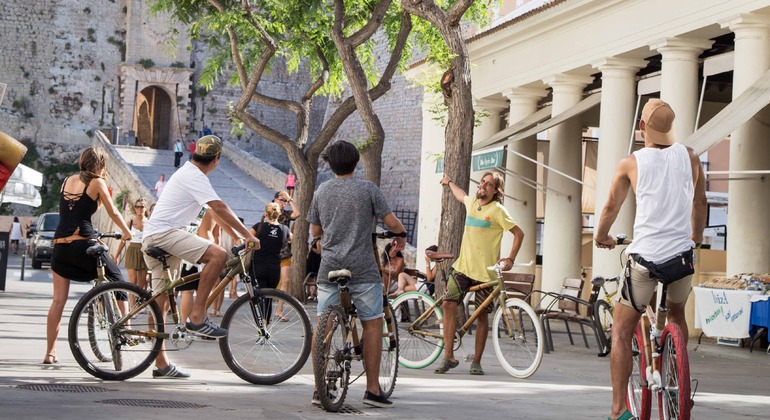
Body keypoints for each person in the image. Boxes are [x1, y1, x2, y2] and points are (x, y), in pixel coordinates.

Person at [594, 99, 707, 420]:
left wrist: (602, 236)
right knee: (676, 312)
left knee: (620, 330)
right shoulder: (690, 156)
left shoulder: (631, 162)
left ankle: (618, 411)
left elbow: (610, 208)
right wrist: (694, 239)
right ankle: (675, 381)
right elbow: (700, 203)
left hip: (645, 259)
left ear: (642, 127)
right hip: (681, 258)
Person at [142, 134, 258, 378]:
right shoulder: (195, 176)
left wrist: (236, 236)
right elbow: (219, 207)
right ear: (216, 160)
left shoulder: (188, 172)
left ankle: (162, 365)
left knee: (160, 304)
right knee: (218, 255)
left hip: (159, 236)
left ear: (194, 153)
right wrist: (249, 235)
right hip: (165, 235)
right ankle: (197, 316)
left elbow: (214, 214)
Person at [308, 140, 407, 408]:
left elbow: (315, 231)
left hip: (329, 266)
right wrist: (401, 234)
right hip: (362, 266)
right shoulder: (368, 189)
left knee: (323, 323)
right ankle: (373, 390)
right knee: (373, 322)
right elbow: (392, 222)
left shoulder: (321, 191)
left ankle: (319, 389)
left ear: (330, 164)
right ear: (356, 162)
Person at [44, 147, 133, 365]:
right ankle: (127, 330)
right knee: (118, 280)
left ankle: (50, 353)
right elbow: (113, 211)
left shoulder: (66, 181)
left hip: (60, 248)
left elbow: (71, 212)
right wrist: (127, 232)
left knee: (58, 301)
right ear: (101, 164)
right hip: (82, 245)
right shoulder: (96, 182)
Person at [436, 171, 525, 376]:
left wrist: (510, 259)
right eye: (482, 182)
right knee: (448, 304)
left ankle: (476, 361)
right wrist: (449, 182)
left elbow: (519, 233)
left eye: (488, 184)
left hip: (487, 273)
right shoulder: (472, 202)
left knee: (482, 315)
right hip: (463, 268)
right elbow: (460, 195)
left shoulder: (498, 210)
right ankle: (448, 356)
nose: (483, 186)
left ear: (495, 190)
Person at [272, 190, 300, 319]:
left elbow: (297, 214)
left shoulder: (286, 214)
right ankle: (265, 311)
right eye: (281, 200)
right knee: (270, 281)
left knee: (285, 281)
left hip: (284, 252)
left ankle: (279, 310)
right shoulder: (269, 212)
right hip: (271, 252)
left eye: (284, 201)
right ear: (275, 200)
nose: (283, 203)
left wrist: (290, 200)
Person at [113, 198, 149, 294]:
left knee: (142, 284)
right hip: (132, 251)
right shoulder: (130, 223)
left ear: (146, 208)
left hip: (144, 252)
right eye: (137, 207)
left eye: (142, 207)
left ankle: (139, 305)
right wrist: (116, 256)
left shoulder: (150, 223)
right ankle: (132, 307)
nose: (139, 209)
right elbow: (123, 240)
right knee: (133, 283)